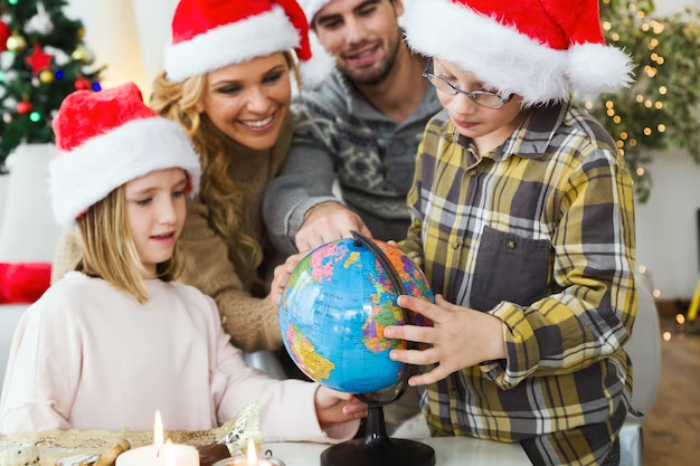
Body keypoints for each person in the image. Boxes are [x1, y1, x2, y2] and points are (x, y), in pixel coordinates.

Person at [0, 83, 365, 438]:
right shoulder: (63, 310)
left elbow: (237, 395)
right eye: (146, 200)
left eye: (177, 194)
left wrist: (313, 404)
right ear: (98, 211)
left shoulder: (195, 306)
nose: (171, 215)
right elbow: (31, 431)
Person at [379, 1, 638, 465]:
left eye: (490, 89)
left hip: (555, 440)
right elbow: (422, 239)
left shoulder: (584, 157)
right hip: (450, 422)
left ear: (533, 77)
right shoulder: (438, 135)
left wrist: (497, 335)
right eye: (447, 78)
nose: (460, 104)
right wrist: (391, 269)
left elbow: (607, 307)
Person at [50, 0, 333, 353]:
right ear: (194, 95)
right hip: (114, 335)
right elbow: (218, 309)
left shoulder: (283, 129)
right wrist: (286, 307)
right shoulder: (175, 166)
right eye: (231, 89)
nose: (261, 104)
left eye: (272, 77)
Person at [263, 0, 443, 255]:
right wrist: (316, 211)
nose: (356, 36)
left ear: (398, 5)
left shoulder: (462, 80)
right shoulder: (317, 107)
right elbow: (295, 186)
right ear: (315, 32)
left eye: (367, 11)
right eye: (333, 23)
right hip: (379, 281)